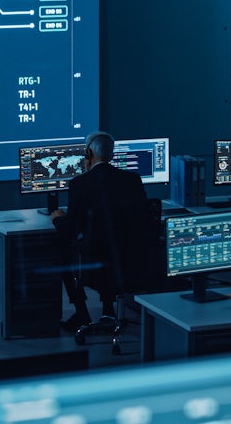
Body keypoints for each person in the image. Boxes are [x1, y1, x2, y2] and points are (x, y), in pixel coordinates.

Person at [51, 132, 156, 332]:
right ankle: (108, 310)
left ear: (89, 153)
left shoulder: (80, 184)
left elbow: (71, 231)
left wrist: (57, 219)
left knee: (63, 253)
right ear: (112, 155)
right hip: (134, 261)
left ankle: (82, 315)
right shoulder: (132, 180)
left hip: (98, 262)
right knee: (113, 244)